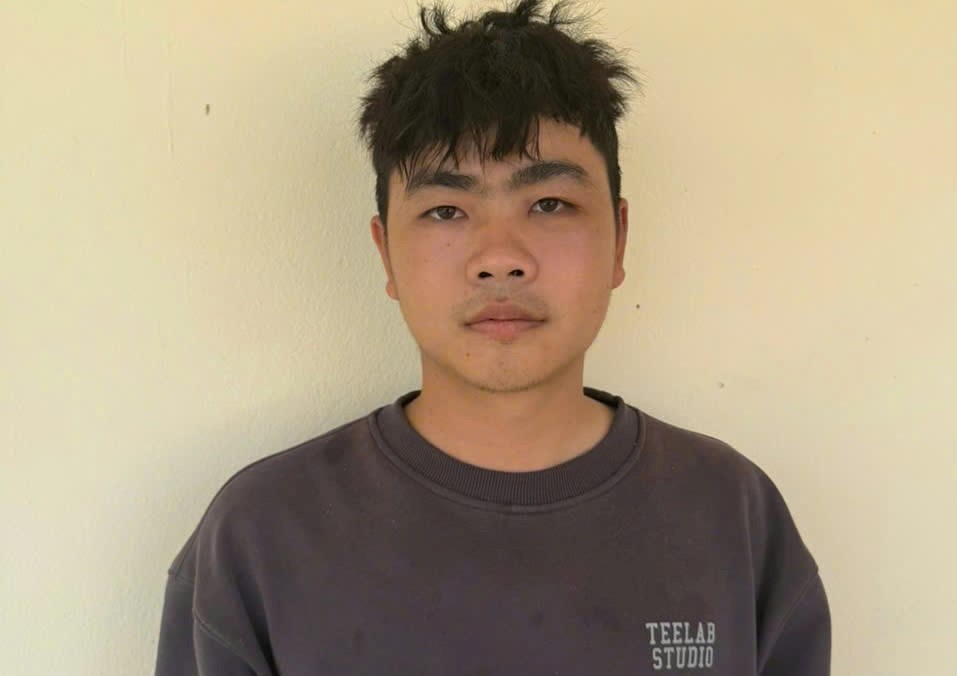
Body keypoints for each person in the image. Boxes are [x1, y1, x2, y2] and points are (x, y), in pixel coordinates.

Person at [154, 1, 831, 674]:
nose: (500, 257)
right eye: (446, 210)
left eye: (549, 204)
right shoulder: (261, 536)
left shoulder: (731, 517)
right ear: (386, 252)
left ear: (619, 238)